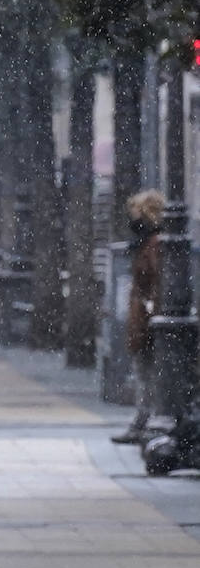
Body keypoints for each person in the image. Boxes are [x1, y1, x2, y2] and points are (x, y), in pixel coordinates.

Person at [112, 189, 164, 445]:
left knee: (147, 372)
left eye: (136, 214)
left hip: (147, 318)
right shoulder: (146, 244)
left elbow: (155, 282)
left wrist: (150, 309)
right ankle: (143, 421)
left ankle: (144, 423)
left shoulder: (153, 244)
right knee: (145, 372)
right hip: (144, 316)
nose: (133, 219)